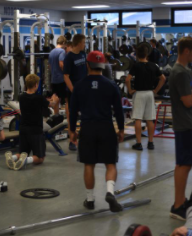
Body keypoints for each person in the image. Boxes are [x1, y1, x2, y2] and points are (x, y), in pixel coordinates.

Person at [69, 51, 124, 211]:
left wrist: (72, 130)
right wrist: (121, 128)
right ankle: (109, 192)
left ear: (87, 65)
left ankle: (90, 199)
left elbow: (73, 111)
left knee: (89, 165)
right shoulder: (111, 85)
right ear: (102, 66)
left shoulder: (79, 85)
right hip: (106, 127)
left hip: (87, 128)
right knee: (110, 164)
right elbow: (119, 110)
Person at [5, 74, 59, 171]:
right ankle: (26, 160)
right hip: (35, 130)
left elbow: (38, 100)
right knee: (40, 158)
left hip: (23, 129)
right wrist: (54, 100)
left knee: (22, 152)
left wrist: (47, 100)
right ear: (36, 85)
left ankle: (13, 158)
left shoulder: (21, 97)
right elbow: (51, 104)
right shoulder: (39, 98)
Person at [125, 44, 166, 151]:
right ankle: (150, 143)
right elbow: (163, 78)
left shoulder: (136, 65)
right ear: (147, 54)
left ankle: (139, 144)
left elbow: (127, 79)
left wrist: (130, 90)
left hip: (139, 93)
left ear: (137, 55)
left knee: (138, 118)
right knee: (149, 119)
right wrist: (156, 91)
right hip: (149, 94)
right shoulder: (154, 65)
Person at [169, 37, 192, 221]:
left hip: (185, 123)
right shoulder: (181, 72)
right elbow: (188, 101)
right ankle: (178, 206)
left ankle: (181, 201)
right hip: (186, 125)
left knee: (184, 163)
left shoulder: (184, 70)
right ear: (186, 51)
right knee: (184, 165)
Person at [63, 34, 87, 151]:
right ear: (78, 43)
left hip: (84, 90)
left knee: (85, 115)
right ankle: (72, 141)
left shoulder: (83, 54)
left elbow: (86, 71)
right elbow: (66, 76)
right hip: (74, 91)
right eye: (83, 42)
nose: (85, 44)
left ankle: (83, 138)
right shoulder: (69, 57)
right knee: (73, 117)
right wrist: (73, 90)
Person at [49, 35, 67, 115]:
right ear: (63, 43)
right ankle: (69, 116)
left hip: (53, 79)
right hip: (61, 79)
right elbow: (61, 64)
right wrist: (66, 72)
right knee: (67, 99)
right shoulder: (62, 51)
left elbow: (49, 66)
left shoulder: (52, 52)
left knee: (56, 98)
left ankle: (56, 115)